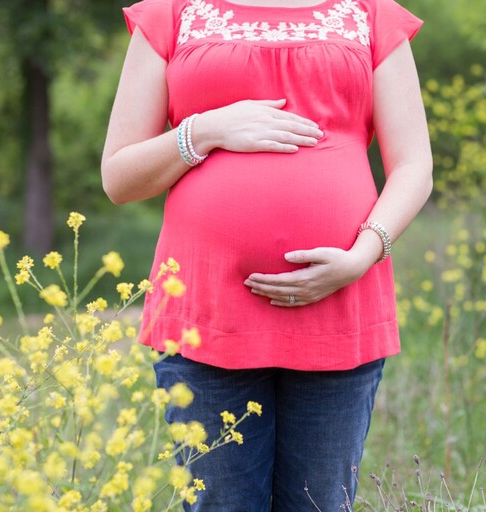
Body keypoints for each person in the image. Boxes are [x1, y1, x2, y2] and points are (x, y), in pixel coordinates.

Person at [101, 0, 433, 508]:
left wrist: (362, 256)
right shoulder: (171, 13)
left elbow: (413, 164)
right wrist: (206, 129)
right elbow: (119, 178)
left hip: (337, 308)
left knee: (318, 501)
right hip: (205, 316)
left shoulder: (371, 14)